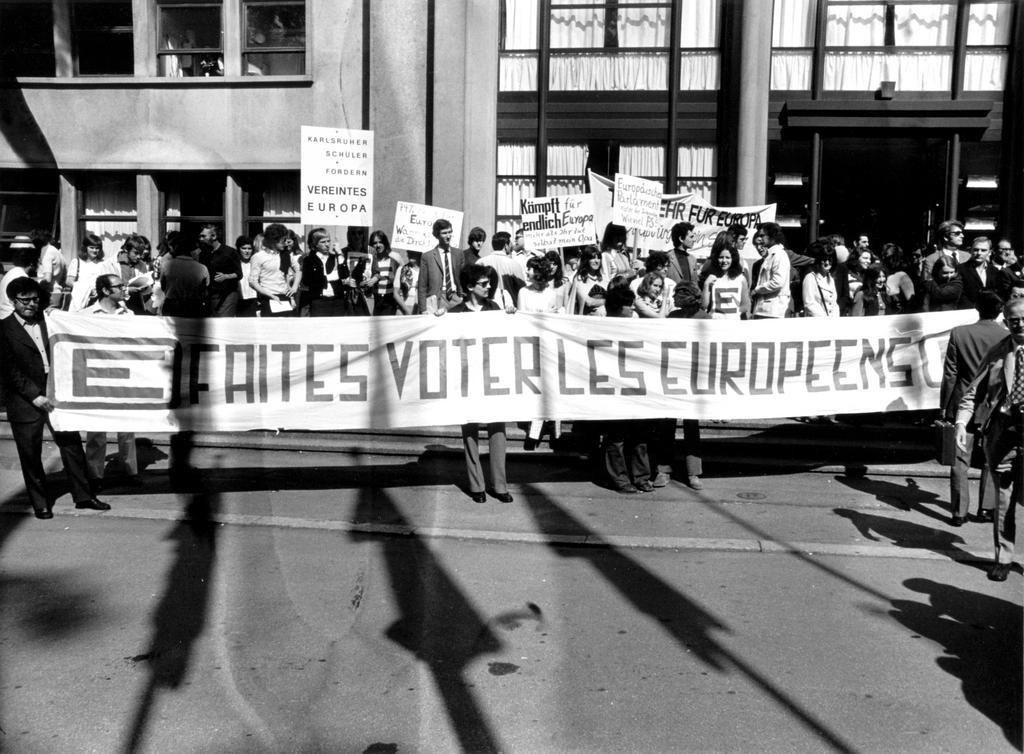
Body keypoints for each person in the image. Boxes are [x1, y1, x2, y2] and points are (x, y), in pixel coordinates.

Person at [0, 277, 110, 518]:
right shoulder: (3, 329)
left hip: (57, 392)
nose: (31, 304)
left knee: (71, 446)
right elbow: (9, 370)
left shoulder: (48, 321)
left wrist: (56, 315)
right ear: (12, 301)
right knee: (30, 453)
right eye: (24, 300)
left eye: (35, 299)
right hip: (25, 400)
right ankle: (40, 503)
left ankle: (84, 496)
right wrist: (34, 396)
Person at [954, 296, 1024, 582]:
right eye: (1013, 320)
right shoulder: (998, 352)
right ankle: (1004, 558)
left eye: (1023, 318)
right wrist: (961, 422)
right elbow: (973, 391)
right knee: (1004, 500)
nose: (1019, 323)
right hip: (1005, 432)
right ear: (1005, 322)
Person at [446, 264, 512, 504]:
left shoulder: (495, 309)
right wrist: (436, 319)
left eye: (489, 283)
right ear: (470, 287)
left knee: (498, 430)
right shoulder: (455, 313)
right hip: (466, 379)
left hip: (493, 377)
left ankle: (500, 485)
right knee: (470, 431)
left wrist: (512, 316)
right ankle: (477, 485)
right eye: (483, 284)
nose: (488, 287)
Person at [941, 291, 1003, 527]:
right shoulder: (1006, 336)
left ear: (977, 308)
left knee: (959, 460)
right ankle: (986, 508)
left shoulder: (959, 332)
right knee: (991, 458)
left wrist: (945, 406)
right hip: (992, 404)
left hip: (963, 400)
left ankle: (959, 511)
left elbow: (951, 374)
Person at [84, 274, 140, 490]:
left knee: (127, 426)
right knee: (96, 428)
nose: (124, 289)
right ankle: (95, 474)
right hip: (97, 373)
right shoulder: (86, 315)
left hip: (123, 373)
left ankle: (130, 470)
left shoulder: (129, 314)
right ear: (105, 291)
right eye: (119, 286)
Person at [601, 286, 654, 493]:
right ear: (616, 307)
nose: (633, 308)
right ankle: (620, 479)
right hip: (612, 388)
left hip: (635, 387)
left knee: (640, 435)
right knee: (616, 437)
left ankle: (641, 477)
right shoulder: (599, 325)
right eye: (628, 305)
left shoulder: (637, 325)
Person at [249, 223, 301, 317]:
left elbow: (299, 270)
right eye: (283, 241)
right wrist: (271, 296)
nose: (286, 243)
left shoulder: (285, 255)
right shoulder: (258, 257)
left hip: (285, 297)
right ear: (273, 241)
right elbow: (253, 281)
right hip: (268, 297)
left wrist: (295, 287)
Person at [417, 218, 464, 314]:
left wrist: (462, 297)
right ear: (437, 235)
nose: (448, 236)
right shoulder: (427, 256)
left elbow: (464, 279)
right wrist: (423, 309)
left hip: (456, 298)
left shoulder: (459, 253)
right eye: (444, 233)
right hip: (437, 299)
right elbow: (422, 286)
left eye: (450, 232)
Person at [65, 232, 120, 313]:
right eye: (91, 247)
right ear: (85, 248)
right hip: (79, 300)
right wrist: (86, 289)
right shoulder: (77, 262)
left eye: (97, 248)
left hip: (98, 301)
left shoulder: (103, 264)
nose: (95, 250)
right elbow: (69, 281)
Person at [159, 232, 210, 317]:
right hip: (194, 308)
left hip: (172, 307)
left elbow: (163, 286)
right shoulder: (202, 268)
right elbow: (205, 290)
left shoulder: (166, 265)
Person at [299, 227, 346, 316]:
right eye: (323, 242)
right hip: (319, 301)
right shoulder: (309, 260)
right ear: (315, 244)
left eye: (328, 241)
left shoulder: (334, 258)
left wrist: (339, 254)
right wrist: (330, 277)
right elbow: (307, 281)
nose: (327, 244)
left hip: (337, 301)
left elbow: (344, 274)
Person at [197, 224, 241, 317]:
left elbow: (239, 274)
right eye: (200, 236)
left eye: (203, 236)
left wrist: (226, 276)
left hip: (227, 295)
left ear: (214, 236)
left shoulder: (230, 252)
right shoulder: (203, 254)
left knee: (223, 323)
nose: (201, 239)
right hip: (210, 295)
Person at [750, 222, 791, 319]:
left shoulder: (779, 255)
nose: (760, 239)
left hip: (773, 311)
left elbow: (777, 282)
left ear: (772, 236)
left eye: (762, 235)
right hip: (764, 309)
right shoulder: (770, 255)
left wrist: (757, 290)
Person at [701, 242, 749, 319]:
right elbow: (704, 306)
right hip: (714, 322)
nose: (724, 260)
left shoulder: (741, 279)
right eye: (721, 257)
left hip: (733, 324)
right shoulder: (711, 278)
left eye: (727, 257)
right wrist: (706, 285)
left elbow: (745, 306)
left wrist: (732, 316)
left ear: (733, 259)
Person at [480, 230, 526, 311]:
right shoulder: (514, 265)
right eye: (510, 243)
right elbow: (522, 289)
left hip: (484, 308)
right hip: (509, 309)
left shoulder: (480, 262)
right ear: (506, 245)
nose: (512, 245)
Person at [0, 236, 40, 318]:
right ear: (32, 263)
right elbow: (26, 304)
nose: (40, 265)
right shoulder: (22, 277)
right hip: (11, 318)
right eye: (39, 262)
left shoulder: (11, 272)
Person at [368, 230, 402, 315]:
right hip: (376, 300)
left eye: (380, 242)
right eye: (375, 243)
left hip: (390, 301)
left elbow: (401, 277)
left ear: (385, 243)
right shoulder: (370, 261)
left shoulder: (394, 260)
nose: (378, 245)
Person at [801, 241, 839, 317]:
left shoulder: (831, 279)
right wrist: (824, 318)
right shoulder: (810, 278)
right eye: (824, 259)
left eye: (830, 260)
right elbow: (809, 304)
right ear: (818, 260)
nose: (827, 263)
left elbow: (834, 304)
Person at [958, 235, 997, 307]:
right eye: (976, 250)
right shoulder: (960, 269)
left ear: (990, 252)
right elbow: (960, 295)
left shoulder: (994, 270)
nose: (979, 253)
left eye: (983, 250)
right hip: (967, 311)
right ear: (970, 251)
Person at [31, 228, 64, 307]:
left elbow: (47, 279)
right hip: (57, 291)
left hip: (49, 293)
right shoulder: (55, 251)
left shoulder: (47, 254)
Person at [665, 221, 700, 291]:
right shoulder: (667, 258)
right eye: (691, 237)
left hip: (690, 299)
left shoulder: (693, 259)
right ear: (681, 239)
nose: (694, 240)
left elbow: (695, 283)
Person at [235, 235, 259, 317]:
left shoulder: (256, 263)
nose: (247, 251)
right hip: (239, 299)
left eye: (249, 248)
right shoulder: (235, 264)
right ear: (238, 249)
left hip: (254, 299)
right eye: (244, 248)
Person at [394, 251, 421, 315]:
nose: (410, 254)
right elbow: (395, 293)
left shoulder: (425, 270)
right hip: (403, 307)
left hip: (419, 308)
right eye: (409, 252)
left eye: (414, 252)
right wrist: (406, 310)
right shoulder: (401, 269)